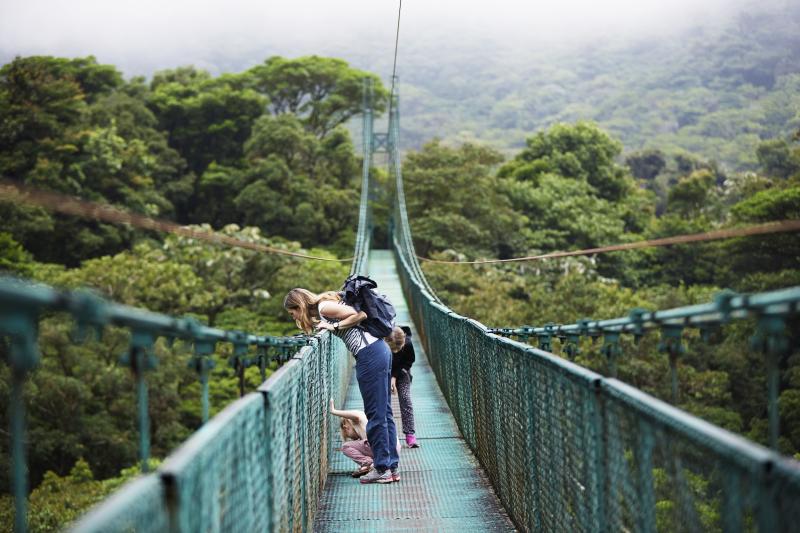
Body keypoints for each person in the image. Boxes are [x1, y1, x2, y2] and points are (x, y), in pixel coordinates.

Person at [284, 288, 400, 484]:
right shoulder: (323, 309)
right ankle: (391, 467)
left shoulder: (323, 307)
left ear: (300, 305)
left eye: (292, 312)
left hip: (370, 354)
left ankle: (382, 468)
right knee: (383, 413)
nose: (293, 316)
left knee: (376, 415)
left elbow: (359, 314)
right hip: (377, 351)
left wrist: (334, 327)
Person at [329, 399, 402, 478]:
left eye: (349, 435)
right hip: (394, 450)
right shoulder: (368, 421)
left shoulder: (358, 419)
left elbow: (356, 416)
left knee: (346, 446)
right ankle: (375, 464)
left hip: (383, 446)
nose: (353, 438)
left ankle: (369, 463)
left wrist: (334, 411)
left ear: (345, 427)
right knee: (364, 443)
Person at [386, 326, 419, 448]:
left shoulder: (408, 344)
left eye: (398, 349)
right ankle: (386, 436)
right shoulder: (381, 343)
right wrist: (389, 378)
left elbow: (410, 361)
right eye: (393, 349)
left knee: (405, 399)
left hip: (403, 372)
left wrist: (394, 377)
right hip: (384, 372)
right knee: (383, 401)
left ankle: (410, 435)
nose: (395, 351)